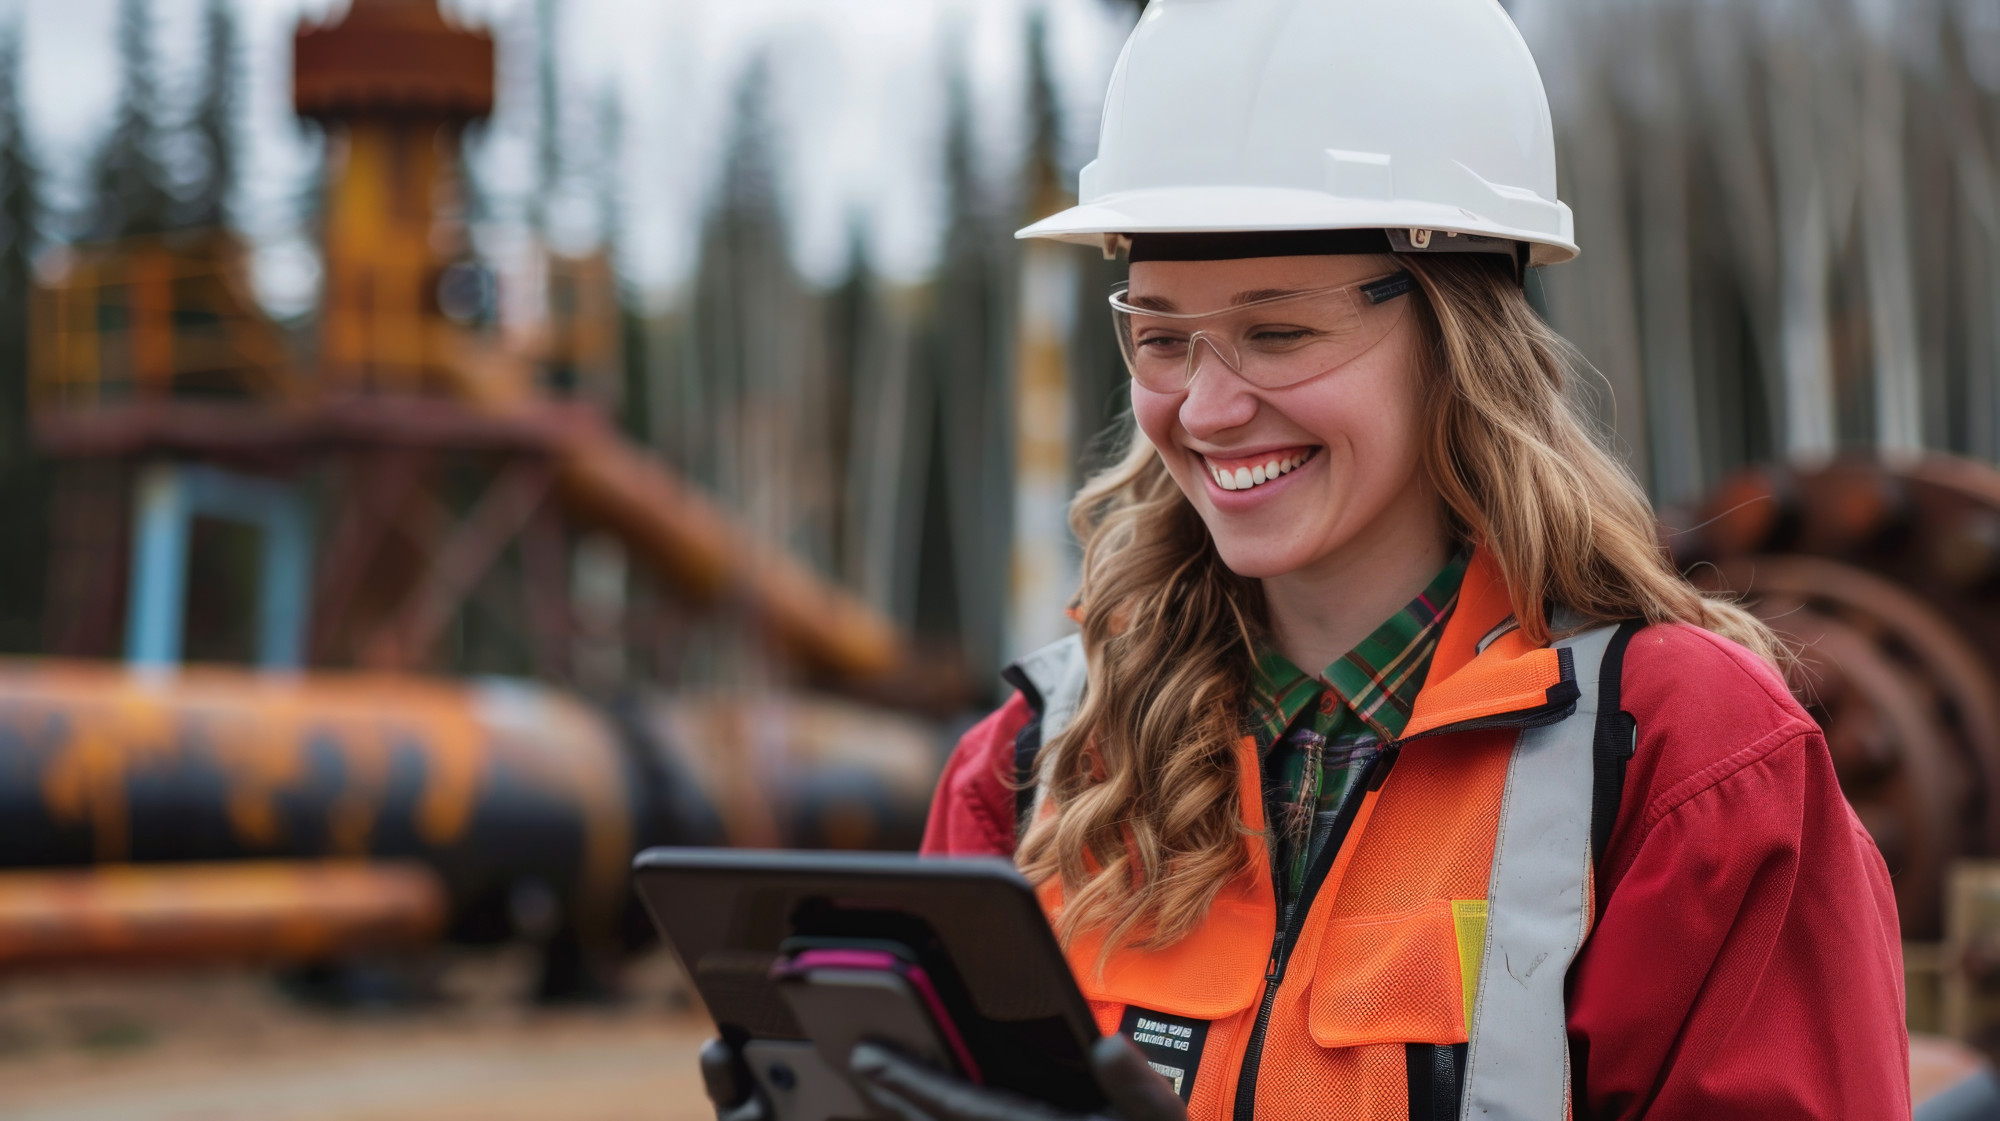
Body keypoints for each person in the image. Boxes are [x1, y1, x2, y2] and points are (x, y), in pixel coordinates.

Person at [703, 0, 1909, 1118]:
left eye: (1276, 331)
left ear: (1457, 337)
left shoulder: (1684, 763)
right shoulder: (1036, 765)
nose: (1208, 409)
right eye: (1161, 336)